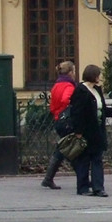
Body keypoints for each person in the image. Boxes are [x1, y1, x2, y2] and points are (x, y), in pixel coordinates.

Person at [68, 64, 112, 197]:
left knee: (97, 159)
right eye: (98, 75)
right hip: (85, 131)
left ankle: (98, 187)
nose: (99, 78)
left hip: (97, 130)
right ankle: (83, 187)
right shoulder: (81, 91)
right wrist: (78, 131)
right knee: (84, 160)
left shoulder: (97, 90)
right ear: (93, 76)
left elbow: (100, 108)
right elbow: (77, 112)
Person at [41, 61, 77, 190]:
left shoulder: (57, 85)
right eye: (74, 71)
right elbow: (66, 99)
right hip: (66, 121)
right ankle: (83, 178)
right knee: (72, 148)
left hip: (58, 120)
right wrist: (71, 107)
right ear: (71, 72)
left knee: (64, 148)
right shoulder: (69, 86)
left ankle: (48, 179)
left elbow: (53, 104)